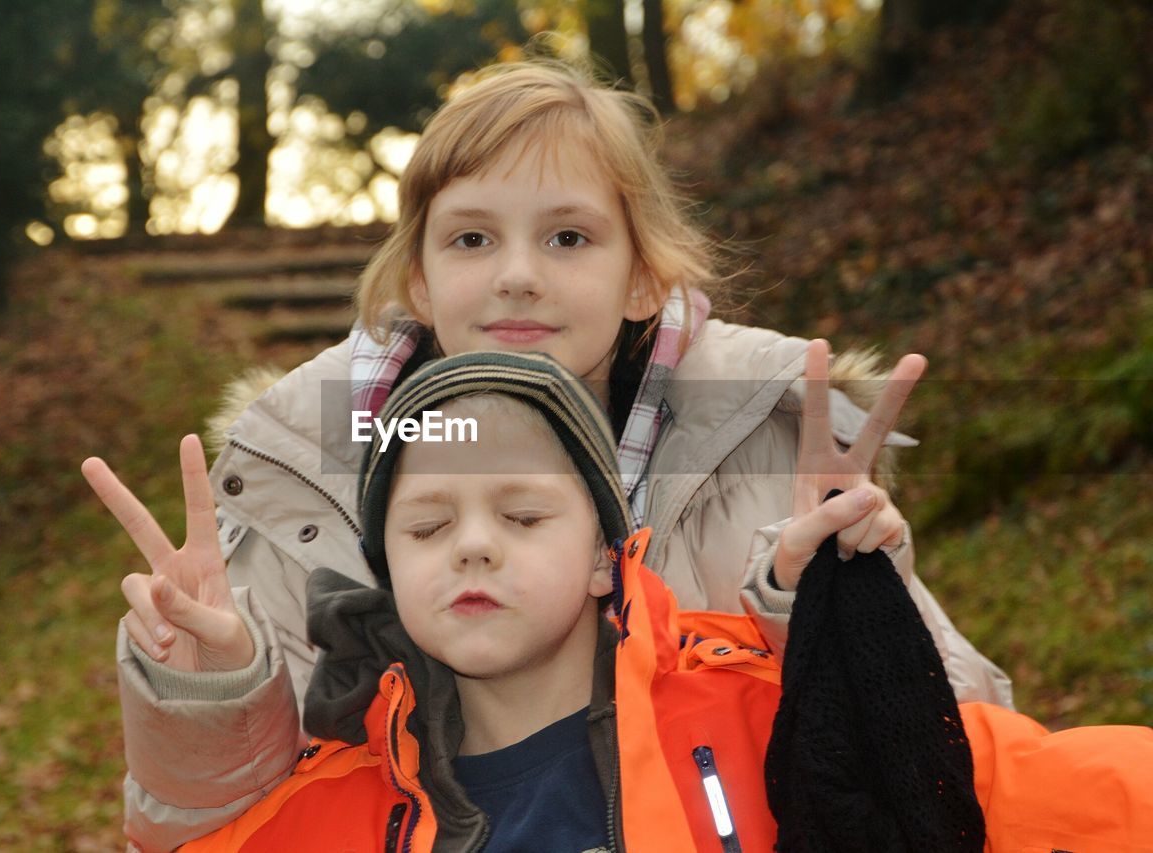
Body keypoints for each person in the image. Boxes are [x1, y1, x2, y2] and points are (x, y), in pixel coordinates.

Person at [81, 60, 1013, 850]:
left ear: (644, 272)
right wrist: (206, 693)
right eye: (472, 237)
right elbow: (213, 831)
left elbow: (963, 755)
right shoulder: (315, 473)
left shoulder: (761, 445)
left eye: (568, 236)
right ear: (419, 274)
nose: (517, 272)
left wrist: (841, 605)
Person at [170, 351, 1152, 852]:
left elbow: (1047, 789)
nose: (472, 541)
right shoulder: (330, 811)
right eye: (426, 527)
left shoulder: (766, 721)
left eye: (519, 515)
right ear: (385, 571)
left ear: (607, 556)